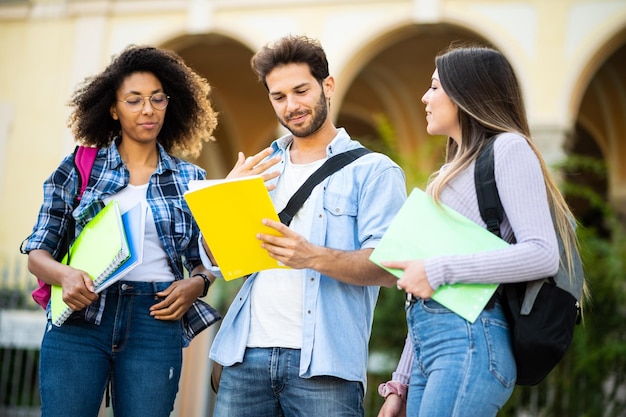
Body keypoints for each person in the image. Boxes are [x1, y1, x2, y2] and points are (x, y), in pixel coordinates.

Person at [201, 34, 407, 417]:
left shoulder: (374, 171)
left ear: (327, 86)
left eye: (301, 91)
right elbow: (220, 260)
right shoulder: (259, 168)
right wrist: (226, 201)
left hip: (325, 368)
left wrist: (312, 256)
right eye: (279, 97)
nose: (291, 106)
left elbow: (389, 266)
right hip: (243, 358)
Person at [376, 44, 581, 417]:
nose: (425, 97)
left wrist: (437, 269)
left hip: (469, 343)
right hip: (431, 346)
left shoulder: (508, 148)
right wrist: (400, 383)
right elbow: (420, 292)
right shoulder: (445, 176)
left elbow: (542, 253)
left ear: (467, 93)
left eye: (435, 87)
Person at [20, 45, 222, 417]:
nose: (148, 109)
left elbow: (206, 260)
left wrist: (198, 283)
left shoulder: (191, 179)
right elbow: (37, 252)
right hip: (81, 316)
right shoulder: (79, 168)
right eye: (134, 100)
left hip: (156, 317)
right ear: (113, 108)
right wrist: (64, 274)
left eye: (157, 99)